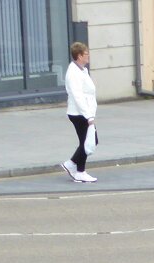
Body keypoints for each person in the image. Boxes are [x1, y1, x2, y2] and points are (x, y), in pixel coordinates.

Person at [61, 42, 98, 184]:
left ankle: (74, 166)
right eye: (86, 54)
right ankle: (77, 170)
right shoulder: (73, 73)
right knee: (88, 141)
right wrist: (88, 116)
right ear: (79, 56)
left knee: (87, 141)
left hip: (84, 112)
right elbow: (77, 96)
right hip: (79, 113)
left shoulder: (82, 70)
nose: (88, 56)